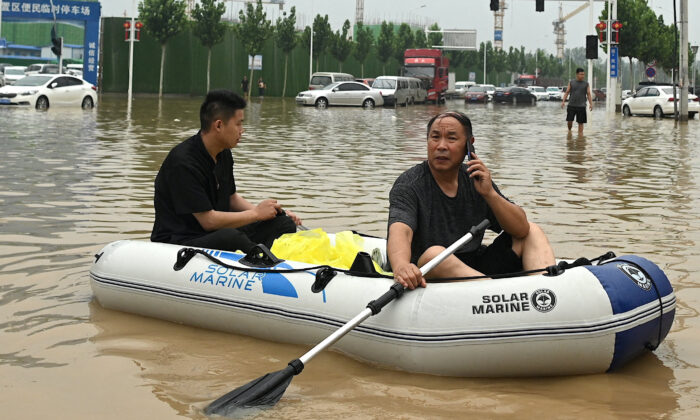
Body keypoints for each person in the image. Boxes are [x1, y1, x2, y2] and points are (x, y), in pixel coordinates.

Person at [387, 111, 555, 290]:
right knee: (434, 255)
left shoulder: (476, 179)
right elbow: (400, 230)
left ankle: (547, 292)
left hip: (472, 266)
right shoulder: (409, 184)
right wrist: (401, 266)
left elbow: (521, 229)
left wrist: (489, 193)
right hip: (426, 269)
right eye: (435, 138)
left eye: (451, 139)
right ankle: (500, 295)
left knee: (532, 231)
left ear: (469, 145)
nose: (441, 146)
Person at [151, 90, 300, 253]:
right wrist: (256, 214)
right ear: (219, 125)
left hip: (215, 232)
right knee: (231, 237)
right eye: (238, 124)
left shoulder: (223, 153)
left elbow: (231, 199)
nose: (242, 130)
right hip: (180, 240)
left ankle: (274, 261)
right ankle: (264, 262)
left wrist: (272, 213)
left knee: (283, 223)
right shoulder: (183, 162)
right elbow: (208, 221)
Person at [561, 68, 593, 134]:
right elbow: (567, 92)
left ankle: (580, 137)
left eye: (583, 74)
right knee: (569, 121)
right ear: (577, 74)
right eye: (581, 74)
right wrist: (563, 102)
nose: (583, 76)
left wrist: (591, 104)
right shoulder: (571, 82)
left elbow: (589, 94)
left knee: (580, 123)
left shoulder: (586, 84)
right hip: (571, 105)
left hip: (582, 106)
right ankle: (569, 132)